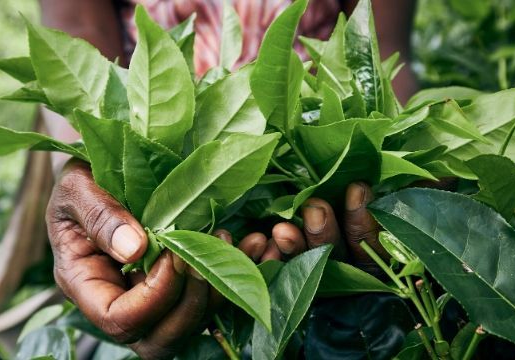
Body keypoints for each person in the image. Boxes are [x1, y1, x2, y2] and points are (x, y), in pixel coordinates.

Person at [39, 0, 417, 358]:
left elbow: (374, 46)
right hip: (176, 156)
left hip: (305, 149)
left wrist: (393, 172)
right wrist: (94, 177)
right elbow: (79, 43)